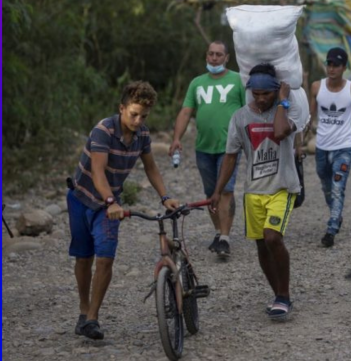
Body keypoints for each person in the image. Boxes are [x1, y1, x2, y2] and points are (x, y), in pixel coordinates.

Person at [66, 81, 181, 340]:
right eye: (134, 114)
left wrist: (165, 197)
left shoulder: (142, 136)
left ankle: (93, 318)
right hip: (82, 199)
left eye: (144, 116)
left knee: (105, 258)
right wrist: (111, 202)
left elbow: (151, 168)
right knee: (84, 258)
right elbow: (98, 171)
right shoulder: (103, 131)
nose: (138, 120)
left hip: (109, 204)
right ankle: (83, 310)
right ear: (121, 108)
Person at [210, 63, 300, 321]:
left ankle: (284, 295)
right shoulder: (240, 117)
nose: (261, 99)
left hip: (282, 187)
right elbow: (230, 157)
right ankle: (279, 296)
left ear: (276, 90)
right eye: (256, 94)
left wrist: (281, 102)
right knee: (261, 245)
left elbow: (281, 132)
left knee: (273, 238)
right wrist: (218, 191)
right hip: (254, 191)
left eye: (266, 94)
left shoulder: (290, 109)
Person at [170, 41, 245, 258]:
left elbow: (247, 111)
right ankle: (217, 231)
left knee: (226, 190)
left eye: (219, 55)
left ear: (226, 58)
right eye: (211, 54)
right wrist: (176, 138)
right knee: (210, 193)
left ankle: (225, 238)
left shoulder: (238, 80)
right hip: (203, 147)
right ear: (206, 56)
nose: (214, 58)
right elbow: (186, 111)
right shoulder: (197, 83)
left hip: (229, 147)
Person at [309, 47, 351, 248]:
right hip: (321, 147)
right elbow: (309, 117)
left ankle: (331, 229)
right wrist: (299, 143)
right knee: (327, 187)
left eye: (336, 65)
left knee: (338, 187)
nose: (331, 69)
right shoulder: (316, 87)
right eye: (329, 64)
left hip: (344, 148)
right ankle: (336, 215)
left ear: (344, 68)